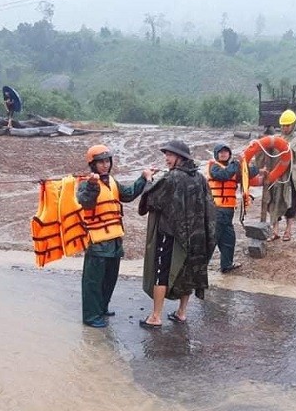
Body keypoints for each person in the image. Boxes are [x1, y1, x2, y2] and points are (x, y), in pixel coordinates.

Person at [138, 140, 215, 328]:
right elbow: (209, 208)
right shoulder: (199, 178)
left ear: (180, 158)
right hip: (195, 236)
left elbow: (150, 201)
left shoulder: (172, 178)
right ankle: (181, 312)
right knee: (187, 272)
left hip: (170, 234)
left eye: (170, 155)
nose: (166, 158)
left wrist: (148, 179)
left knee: (161, 272)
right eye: (166, 155)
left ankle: (156, 316)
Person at [76, 145, 153, 328]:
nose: (105, 165)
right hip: (97, 242)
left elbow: (127, 195)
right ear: (92, 165)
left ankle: (102, 308)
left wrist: (143, 178)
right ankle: (91, 316)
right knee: (93, 282)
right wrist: (93, 186)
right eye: (101, 162)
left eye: (107, 161)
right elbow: (86, 203)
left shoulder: (112, 181)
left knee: (110, 279)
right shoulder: (86, 185)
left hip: (115, 241)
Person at [205, 143, 259, 273]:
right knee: (211, 240)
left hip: (228, 212)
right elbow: (223, 175)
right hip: (215, 211)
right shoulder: (213, 167)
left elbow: (248, 173)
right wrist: (236, 162)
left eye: (226, 152)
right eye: (221, 152)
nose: (224, 154)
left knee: (229, 239)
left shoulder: (233, 169)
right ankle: (199, 269)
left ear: (229, 154)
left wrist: (255, 166)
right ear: (216, 154)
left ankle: (227, 265)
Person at [266, 109, 296, 242]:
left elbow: (290, 151)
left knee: (290, 204)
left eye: (287, 125)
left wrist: (279, 146)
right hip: (276, 178)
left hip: (290, 179)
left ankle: (288, 230)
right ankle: (275, 231)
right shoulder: (276, 138)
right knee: (273, 202)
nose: (285, 128)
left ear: (293, 125)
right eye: (283, 125)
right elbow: (269, 155)